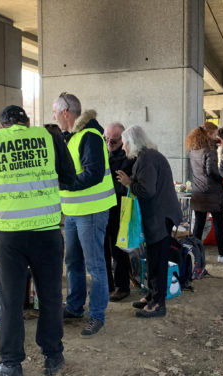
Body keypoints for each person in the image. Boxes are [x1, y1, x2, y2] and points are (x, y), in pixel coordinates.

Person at [0, 105, 76, 376]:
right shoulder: (48, 137)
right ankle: (53, 357)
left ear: (3, 123)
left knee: (11, 299)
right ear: (27, 122)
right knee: (51, 296)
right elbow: (69, 177)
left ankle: (10, 362)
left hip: (10, 234)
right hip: (47, 230)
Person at [53, 93, 116, 337]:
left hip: (90, 212)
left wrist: (63, 184)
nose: (54, 117)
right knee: (73, 262)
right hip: (74, 211)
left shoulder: (88, 136)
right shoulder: (74, 137)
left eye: (55, 112)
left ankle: (97, 315)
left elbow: (93, 174)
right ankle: (76, 306)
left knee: (95, 265)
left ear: (66, 112)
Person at [116, 125, 182, 318]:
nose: (123, 148)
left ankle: (158, 303)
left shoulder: (147, 159)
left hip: (159, 217)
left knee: (158, 260)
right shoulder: (149, 156)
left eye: (124, 144)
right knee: (154, 258)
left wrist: (129, 183)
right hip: (159, 216)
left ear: (132, 143)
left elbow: (147, 190)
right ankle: (153, 294)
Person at [185, 126, 223, 265]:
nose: (217, 136)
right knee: (218, 224)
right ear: (209, 134)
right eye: (215, 133)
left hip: (198, 191)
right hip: (212, 193)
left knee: (198, 225)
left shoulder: (193, 151)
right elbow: (211, 171)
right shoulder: (209, 150)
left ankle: (195, 254)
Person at [103, 122, 135, 302]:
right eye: (106, 139)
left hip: (120, 207)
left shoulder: (129, 157)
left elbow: (122, 182)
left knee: (118, 248)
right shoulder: (104, 154)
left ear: (122, 140)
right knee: (102, 249)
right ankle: (107, 284)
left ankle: (122, 286)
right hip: (104, 206)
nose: (109, 143)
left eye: (113, 141)